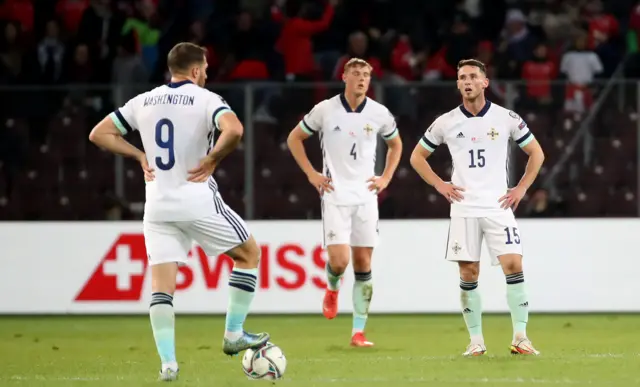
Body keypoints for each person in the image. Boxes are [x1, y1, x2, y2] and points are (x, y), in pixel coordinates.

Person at [88, 42, 269, 381]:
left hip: (156, 204)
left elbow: (99, 133)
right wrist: (213, 158)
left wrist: (140, 156)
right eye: (206, 71)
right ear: (197, 71)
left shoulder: (143, 100)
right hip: (195, 198)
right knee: (248, 254)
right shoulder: (207, 99)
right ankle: (233, 334)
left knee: (161, 288)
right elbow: (235, 129)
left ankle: (168, 363)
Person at [409, 59, 545, 356]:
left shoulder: (506, 117)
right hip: (464, 208)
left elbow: (536, 152)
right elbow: (417, 157)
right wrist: (440, 184)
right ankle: (476, 342)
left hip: (498, 206)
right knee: (469, 273)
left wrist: (521, 187)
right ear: (457, 84)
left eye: (473, 76)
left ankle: (521, 337)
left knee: (514, 264)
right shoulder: (446, 122)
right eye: (461, 77)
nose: (467, 81)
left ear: (485, 82)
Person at [286, 58, 403, 347]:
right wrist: (312, 173)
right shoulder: (325, 110)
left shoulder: (379, 113)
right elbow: (294, 138)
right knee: (339, 261)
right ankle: (332, 286)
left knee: (363, 263)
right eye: (356, 73)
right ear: (344, 77)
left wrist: (386, 177)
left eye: (366, 75)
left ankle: (358, 332)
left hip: (366, 197)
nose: (362, 78)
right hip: (335, 195)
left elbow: (396, 144)